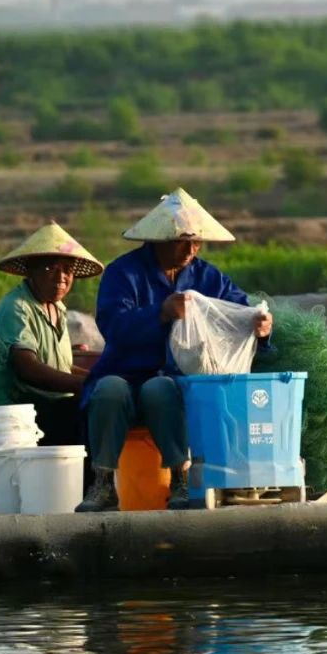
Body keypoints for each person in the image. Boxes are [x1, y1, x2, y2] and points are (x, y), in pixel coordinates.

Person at [75, 188, 273, 513]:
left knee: (160, 389)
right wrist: (160, 313)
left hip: (177, 380)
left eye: (197, 242)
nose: (191, 250)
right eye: (182, 241)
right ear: (159, 239)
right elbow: (113, 326)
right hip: (122, 372)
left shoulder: (209, 276)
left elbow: (237, 312)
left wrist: (260, 327)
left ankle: (181, 481)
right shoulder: (123, 273)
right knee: (108, 390)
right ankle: (103, 483)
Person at [0, 222, 104, 446]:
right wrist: (80, 385)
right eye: (50, 268)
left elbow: (61, 366)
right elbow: (27, 368)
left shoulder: (57, 306)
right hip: (31, 409)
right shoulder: (18, 307)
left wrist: (95, 379)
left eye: (67, 269)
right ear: (30, 270)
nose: (61, 276)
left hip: (58, 403)